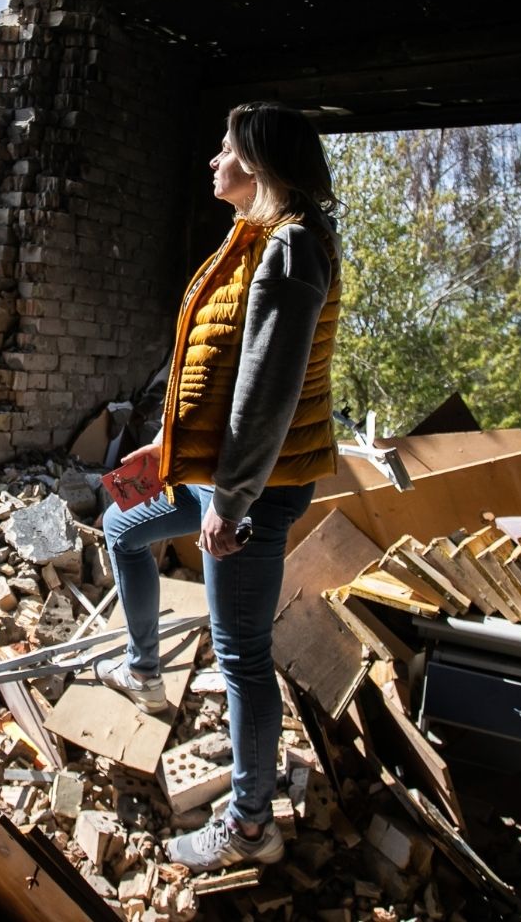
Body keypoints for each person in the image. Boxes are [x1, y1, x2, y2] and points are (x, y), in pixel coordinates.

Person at [96, 100, 342, 872]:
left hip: (250, 493)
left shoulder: (294, 249)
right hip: (212, 477)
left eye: (225, 150)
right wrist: (166, 447)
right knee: (120, 531)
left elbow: (267, 393)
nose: (212, 161)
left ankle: (248, 826)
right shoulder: (257, 241)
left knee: (240, 656)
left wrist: (231, 505)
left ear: (260, 165)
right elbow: (222, 369)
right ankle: (143, 669)